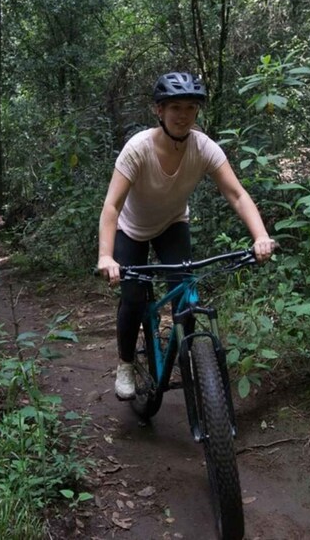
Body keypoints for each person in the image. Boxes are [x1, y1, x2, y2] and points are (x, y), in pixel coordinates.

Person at [97, 72, 276, 400]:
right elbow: (111, 207)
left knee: (185, 296)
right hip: (131, 229)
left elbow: (236, 194)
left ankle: (191, 358)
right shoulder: (138, 149)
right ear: (159, 111)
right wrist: (106, 256)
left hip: (172, 224)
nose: (183, 115)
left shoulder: (204, 147)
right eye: (175, 107)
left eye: (190, 108)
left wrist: (260, 236)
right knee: (133, 299)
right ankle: (125, 364)